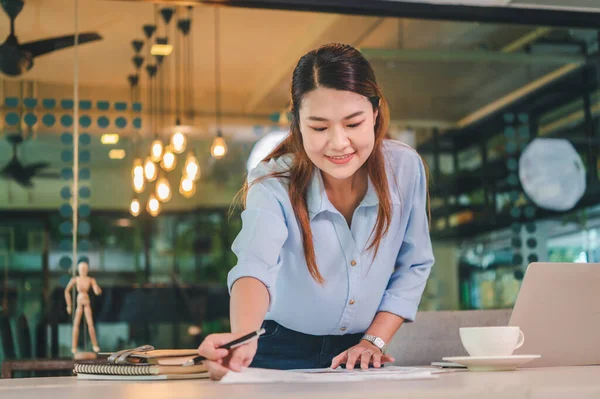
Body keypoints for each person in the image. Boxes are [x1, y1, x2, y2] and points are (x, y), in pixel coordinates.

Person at [198, 43, 434, 380]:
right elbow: (255, 264)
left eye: (353, 124)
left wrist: (373, 340)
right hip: (278, 349)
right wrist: (243, 335)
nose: (338, 143)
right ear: (297, 123)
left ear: (376, 114)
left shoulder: (405, 168)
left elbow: (414, 264)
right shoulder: (273, 181)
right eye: (319, 128)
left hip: (360, 353)